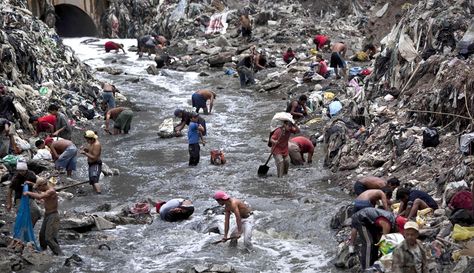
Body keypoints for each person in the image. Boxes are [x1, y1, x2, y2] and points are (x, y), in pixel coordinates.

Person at [24, 178, 62, 255]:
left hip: (53, 215)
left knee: (49, 238)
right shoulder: (45, 188)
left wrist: (28, 193)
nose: (38, 189)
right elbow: (38, 188)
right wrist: (30, 183)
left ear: (44, 185)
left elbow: (40, 197)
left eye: (39, 187)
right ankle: (43, 251)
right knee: (42, 235)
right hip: (47, 215)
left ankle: (60, 255)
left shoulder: (51, 191)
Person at [348, 188, 392, 254]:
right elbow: (385, 206)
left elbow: (373, 206)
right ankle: (373, 240)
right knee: (370, 223)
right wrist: (390, 213)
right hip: (364, 203)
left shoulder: (373, 192)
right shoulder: (381, 193)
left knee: (355, 224)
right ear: (386, 194)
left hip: (356, 202)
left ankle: (351, 245)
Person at [6, 161, 41, 227]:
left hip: (30, 196)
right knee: (22, 214)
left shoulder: (31, 175)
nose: (21, 173)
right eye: (19, 171)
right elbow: (10, 190)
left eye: (22, 171)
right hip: (19, 197)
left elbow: (38, 186)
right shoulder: (16, 178)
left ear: (26, 170)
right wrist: (9, 203)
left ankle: (30, 228)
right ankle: (22, 229)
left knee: (36, 212)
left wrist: (31, 184)